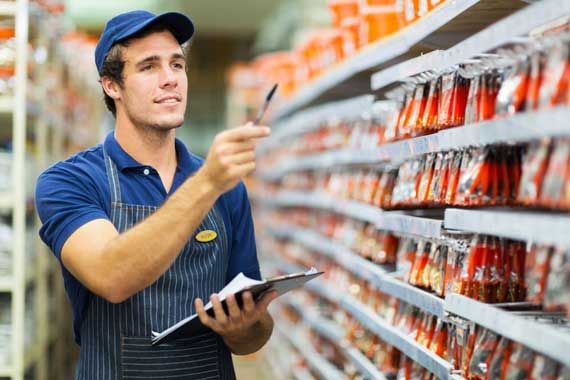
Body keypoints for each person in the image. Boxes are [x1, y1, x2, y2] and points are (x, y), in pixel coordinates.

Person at [35, 9, 276, 379]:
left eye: (177, 65)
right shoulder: (70, 181)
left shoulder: (228, 189)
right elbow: (112, 276)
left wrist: (244, 327)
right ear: (111, 86)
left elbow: (255, 336)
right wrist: (207, 182)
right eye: (149, 67)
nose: (170, 80)